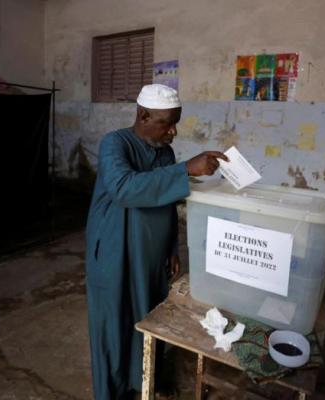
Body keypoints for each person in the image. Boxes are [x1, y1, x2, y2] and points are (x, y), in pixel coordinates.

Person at [85, 84, 227, 400]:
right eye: (166, 123)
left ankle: (144, 379)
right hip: (114, 250)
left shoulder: (165, 152)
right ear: (142, 115)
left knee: (148, 315)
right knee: (114, 321)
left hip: (149, 253)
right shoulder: (115, 144)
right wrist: (187, 169)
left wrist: (172, 247)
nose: (173, 131)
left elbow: (166, 201)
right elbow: (124, 188)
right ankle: (114, 390)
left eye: (176, 122)